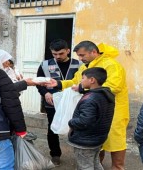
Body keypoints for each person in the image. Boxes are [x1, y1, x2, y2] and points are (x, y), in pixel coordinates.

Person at [46, 41, 129, 170]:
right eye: (79, 55)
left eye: (82, 55)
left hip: (112, 109)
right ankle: (96, 165)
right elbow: (75, 82)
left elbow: (114, 86)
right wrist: (58, 84)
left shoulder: (111, 65)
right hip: (95, 110)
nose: (80, 58)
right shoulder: (85, 67)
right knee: (96, 142)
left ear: (94, 52)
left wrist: (83, 89)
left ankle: (118, 167)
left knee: (115, 141)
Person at [36, 39, 82, 166]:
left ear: (68, 51)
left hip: (73, 103)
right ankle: (55, 154)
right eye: (54, 54)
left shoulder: (79, 65)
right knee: (52, 128)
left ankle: (81, 156)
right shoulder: (45, 65)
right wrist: (45, 93)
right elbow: (38, 83)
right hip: (52, 102)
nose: (57, 57)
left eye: (61, 54)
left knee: (77, 128)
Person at [68, 67, 115, 170]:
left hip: (85, 140)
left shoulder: (90, 99)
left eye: (83, 78)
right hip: (98, 138)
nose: (80, 81)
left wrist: (71, 122)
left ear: (92, 80)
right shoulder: (106, 94)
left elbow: (85, 121)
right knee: (95, 163)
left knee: (85, 166)